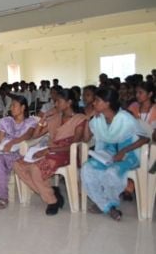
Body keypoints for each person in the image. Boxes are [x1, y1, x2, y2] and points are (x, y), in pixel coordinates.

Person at [14, 89, 87, 215]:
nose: (56, 104)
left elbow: (73, 144)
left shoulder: (79, 119)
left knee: (35, 169)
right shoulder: (54, 118)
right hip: (50, 151)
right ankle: (51, 193)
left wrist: (49, 150)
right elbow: (36, 135)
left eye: (58, 101)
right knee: (17, 164)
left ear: (69, 102)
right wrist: (44, 117)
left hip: (67, 154)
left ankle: (52, 200)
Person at [81, 88, 149, 221]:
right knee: (87, 168)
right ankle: (107, 206)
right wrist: (87, 119)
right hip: (108, 153)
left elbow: (145, 138)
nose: (94, 103)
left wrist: (124, 151)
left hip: (129, 154)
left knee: (112, 172)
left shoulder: (124, 118)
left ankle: (108, 204)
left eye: (97, 100)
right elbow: (85, 139)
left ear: (107, 103)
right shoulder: (98, 119)